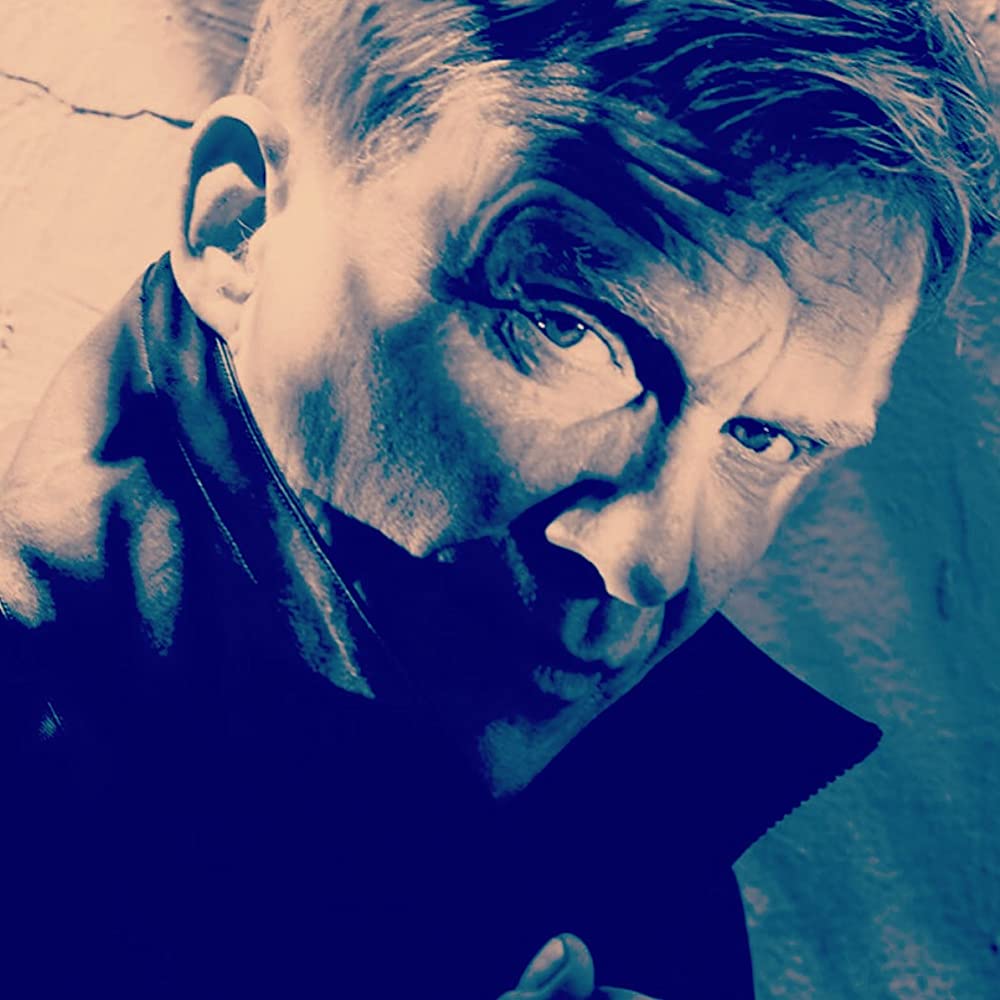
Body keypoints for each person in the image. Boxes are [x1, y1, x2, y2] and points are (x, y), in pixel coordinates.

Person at [1, 1, 996, 997]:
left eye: (764, 438)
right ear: (240, 228)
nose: (645, 561)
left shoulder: (629, 801)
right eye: (567, 329)